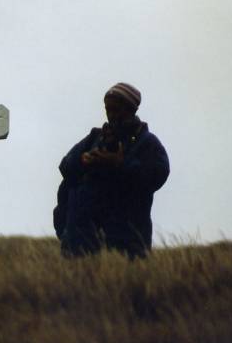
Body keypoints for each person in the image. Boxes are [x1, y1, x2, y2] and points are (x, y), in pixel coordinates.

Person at [53, 83, 170, 259]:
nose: (111, 114)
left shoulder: (147, 143)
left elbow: (157, 176)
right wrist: (84, 160)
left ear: (131, 108)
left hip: (127, 244)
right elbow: (66, 167)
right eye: (108, 109)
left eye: (117, 109)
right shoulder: (94, 137)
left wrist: (122, 163)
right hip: (80, 242)